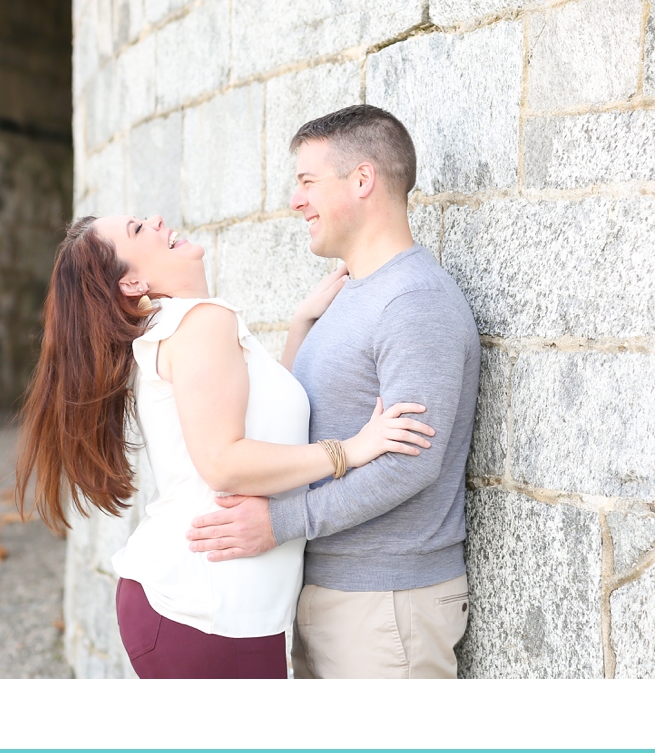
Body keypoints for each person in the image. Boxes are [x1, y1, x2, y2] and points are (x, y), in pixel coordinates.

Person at [14, 212, 436, 679]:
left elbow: (263, 426)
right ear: (132, 282)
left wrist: (300, 325)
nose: (156, 220)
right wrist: (349, 451)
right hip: (206, 611)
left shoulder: (185, 326)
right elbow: (223, 461)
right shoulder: (200, 322)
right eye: (137, 230)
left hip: (207, 606)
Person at [186, 105, 481, 679]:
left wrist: (279, 522)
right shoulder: (348, 295)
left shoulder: (414, 301)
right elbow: (298, 417)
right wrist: (300, 327)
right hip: (333, 593)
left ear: (363, 180)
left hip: (387, 604)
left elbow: (407, 466)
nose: (296, 201)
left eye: (307, 182)